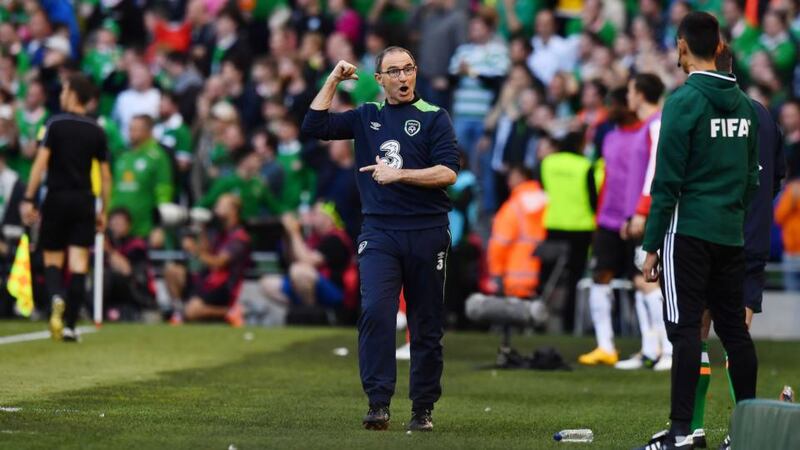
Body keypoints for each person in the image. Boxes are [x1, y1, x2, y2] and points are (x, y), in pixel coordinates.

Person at [301, 47, 459, 432]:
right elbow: (314, 125)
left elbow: (448, 173)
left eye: (408, 69)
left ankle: (422, 408)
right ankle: (378, 403)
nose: (403, 78)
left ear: (415, 73)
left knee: (426, 324)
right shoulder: (367, 116)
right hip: (380, 231)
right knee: (376, 312)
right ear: (380, 79)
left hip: (427, 230)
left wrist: (399, 174)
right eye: (394, 71)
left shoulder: (435, 117)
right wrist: (333, 79)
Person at [637, 12, 759, 450]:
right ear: (720, 46)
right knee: (734, 332)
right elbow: (751, 179)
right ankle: (748, 431)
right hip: (730, 233)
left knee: (685, 332)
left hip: (686, 232)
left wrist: (651, 247)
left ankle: (681, 432)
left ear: (683, 47)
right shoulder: (745, 105)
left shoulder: (683, 102)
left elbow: (666, 182)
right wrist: (730, 214)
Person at [681, 44, 787, 450]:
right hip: (753, 241)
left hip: (714, 235)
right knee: (737, 334)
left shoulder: (710, 111)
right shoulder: (762, 114)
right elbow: (777, 177)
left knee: (698, 329)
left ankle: (692, 429)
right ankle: (744, 433)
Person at [20, 73, 112, 342]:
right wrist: (103, 210)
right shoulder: (97, 130)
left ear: (73, 94)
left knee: (52, 258)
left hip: (57, 197)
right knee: (79, 262)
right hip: (84, 199)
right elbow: (106, 176)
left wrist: (28, 197)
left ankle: (56, 297)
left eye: (63, 91)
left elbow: (40, 164)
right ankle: (71, 325)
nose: (60, 95)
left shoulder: (55, 124)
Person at [577, 87, 642, 367]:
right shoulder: (610, 136)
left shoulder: (646, 134)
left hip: (637, 218)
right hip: (608, 220)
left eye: (613, 104)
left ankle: (654, 346)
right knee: (600, 278)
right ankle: (605, 346)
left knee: (644, 281)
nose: (609, 110)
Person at [616, 73, 673, 372]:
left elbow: (655, 172)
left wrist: (641, 211)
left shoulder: (658, 124)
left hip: (650, 212)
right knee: (640, 281)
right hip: (636, 211)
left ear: (639, 94)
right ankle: (650, 349)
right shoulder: (643, 127)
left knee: (652, 280)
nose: (627, 96)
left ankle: (668, 349)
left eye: (630, 90)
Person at [539, 131, 599, 333]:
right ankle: (568, 324)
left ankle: (539, 320)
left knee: (548, 278)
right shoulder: (584, 165)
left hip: (553, 225)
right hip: (580, 228)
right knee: (574, 279)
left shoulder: (548, 163)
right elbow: (593, 200)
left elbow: (544, 187)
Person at [164, 194, 251, 326]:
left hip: (222, 288)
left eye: (221, 205)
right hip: (206, 281)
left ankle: (229, 311)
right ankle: (179, 311)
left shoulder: (240, 237)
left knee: (192, 312)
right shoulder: (217, 231)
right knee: (172, 271)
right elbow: (206, 251)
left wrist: (194, 250)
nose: (216, 209)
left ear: (233, 210)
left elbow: (218, 263)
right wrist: (201, 229)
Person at [260, 202, 353, 309]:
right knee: (267, 283)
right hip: (307, 284)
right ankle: (298, 311)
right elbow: (291, 261)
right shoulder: (314, 237)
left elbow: (306, 262)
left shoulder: (336, 240)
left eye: (315, 214)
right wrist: (287, 235)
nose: (311, 216)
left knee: (299, 271)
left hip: (334, 290)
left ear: (328, 219)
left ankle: (310, 314)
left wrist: (294, 232)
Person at [487, 165, 546, 300]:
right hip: (546, 278)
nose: (508, 182)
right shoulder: (547, 202)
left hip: (515, 280)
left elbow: (499, 243)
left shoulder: (513, 207)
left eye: (511, 177)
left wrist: (496, 272)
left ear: (522, 177)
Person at [103, 207, 155, 321]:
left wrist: (109, 250)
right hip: (110, 294)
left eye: (120, 222)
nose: (117, 226)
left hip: (135, 290)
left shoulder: (136, 245)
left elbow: (126, 270)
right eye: (114, 222)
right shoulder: (102, 245)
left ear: (129, 225)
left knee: (108, 276)